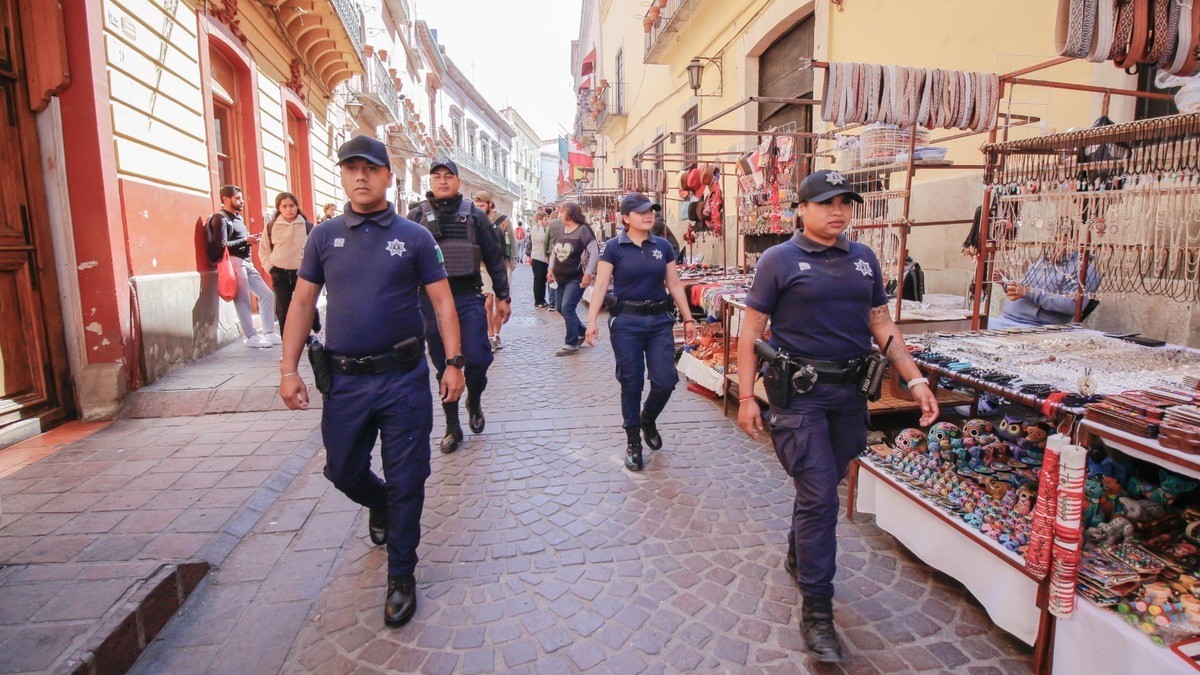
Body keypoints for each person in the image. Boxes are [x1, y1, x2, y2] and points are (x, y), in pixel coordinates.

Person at [735, 170, 939, 663]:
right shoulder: (778, 259)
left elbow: (881, 323)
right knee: (822, 497)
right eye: (826, 202)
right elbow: (751, 332)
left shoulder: (863, 258)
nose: (838, 211)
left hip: (850, 395)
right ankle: (818, 610)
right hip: (799, 395)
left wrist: (914, 379)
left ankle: (799, 546)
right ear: (801, 209)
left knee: (824, 486)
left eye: (845, 203)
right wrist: (745, 396)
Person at [277, 135, 465, 628]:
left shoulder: (415, 237)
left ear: (387, 176)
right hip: (345, 381)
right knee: (342, 470)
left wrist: (453, 362)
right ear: (343, 176)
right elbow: (302, 302)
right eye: (351, 168)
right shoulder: (323, 236)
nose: (360, 176)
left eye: (370, 168)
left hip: (403, 379)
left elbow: (443, 302)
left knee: (408, 479)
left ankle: (401, 575)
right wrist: (288, 369)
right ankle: (379, 502)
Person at [585, 194, 697, 471]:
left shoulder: (663, 246)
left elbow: (674, 284)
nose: (649, 215)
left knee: (666, 380)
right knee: (631, 383)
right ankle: (633, 441)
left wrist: (688, 318)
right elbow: (601, 285)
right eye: (641, 212)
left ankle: (648, 417)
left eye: (651, 211)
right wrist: (591, 321)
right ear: (626, 218)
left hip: (659, 321)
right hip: (626, 322)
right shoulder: (613, 247)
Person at [410, 162, 511, 454]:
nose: (442, 181)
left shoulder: (475, 215)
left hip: (467, 297)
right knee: (444, 364)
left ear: (458, 181)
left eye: (448, 176)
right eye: (437, 176)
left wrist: (503, 296)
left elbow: (494, 257)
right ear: (430, 180)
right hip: (430, 301)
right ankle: (452, 426)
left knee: (478, 359)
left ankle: (474, 400)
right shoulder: (416, 216)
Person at [206, 185, 278, 348]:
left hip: (247, 262)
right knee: (243, 300)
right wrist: (245, 240)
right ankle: (252, 336)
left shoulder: (238, 217)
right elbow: (221, 245)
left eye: (241, 197)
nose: (242, 201)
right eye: (237, 198)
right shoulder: (221, 218)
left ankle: (269, 332)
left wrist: (249, 240)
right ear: (226, 199)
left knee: (267, 295)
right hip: (234, 262)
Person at [989, 245, 1101, 328]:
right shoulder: (1041, 262)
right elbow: (1023, 290)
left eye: (1060, 239)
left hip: (1034, 326)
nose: (1051, 245)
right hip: (1005, 319)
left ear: (1074, 242)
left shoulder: (1084, 271)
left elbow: (1072, 306)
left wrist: (1029, 292)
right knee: (978, 326)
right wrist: (1007, 281)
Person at [261, 192, 320, 336]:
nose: (289, 209)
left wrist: (313, 270)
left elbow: (316, 250)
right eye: (284, 206)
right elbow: (264, 250)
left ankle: (313, 331)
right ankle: (286, 341)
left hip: (302, 272)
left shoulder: (308, 226)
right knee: (283, 308)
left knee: (307, 304)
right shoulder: (271, 226)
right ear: (278, 208)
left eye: (292, 206)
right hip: (279, 272)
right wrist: (270, 268)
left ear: (297, 207)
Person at [546, 201, 598, 355]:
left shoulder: (583, 230)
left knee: (568, 307)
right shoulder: (561, 230)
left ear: (569, 214)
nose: (559, 214)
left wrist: (588, 273)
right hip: (560, 277)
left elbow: (594, 252)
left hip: (576, 277)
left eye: (561, 212)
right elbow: (555, 252)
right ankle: (580, 331)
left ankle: (571, 343)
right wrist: (550, 268)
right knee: (559, 307)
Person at [473, 190, 513, 351]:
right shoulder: (474, 220)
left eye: (481, 205)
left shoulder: (503, 220)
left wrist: (511, 266)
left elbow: (512, 244)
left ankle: (496, 334)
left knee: (499, 301)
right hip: (482, 264)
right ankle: (490, 336)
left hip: (502, 265)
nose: (479, 208)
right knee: (487, 301)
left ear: (490, 204)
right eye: (476, 205)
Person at [530, 211, 551, 309]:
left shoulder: (546, 229)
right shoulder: (535, 229)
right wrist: (541, 227)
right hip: (537, 258)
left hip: (544, 259)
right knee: (538, 280)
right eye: (545, 219)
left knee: (543, 280)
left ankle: (542, 300)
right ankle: (538, 301)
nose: (547, 221)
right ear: (540, 220)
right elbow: (542, 239)